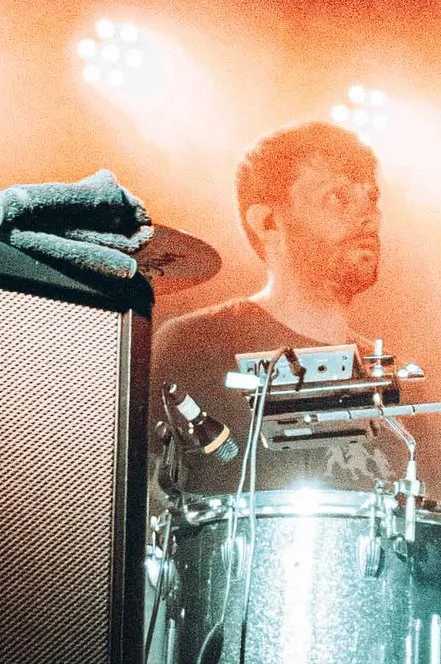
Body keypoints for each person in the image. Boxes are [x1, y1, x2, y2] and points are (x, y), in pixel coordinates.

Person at [153, 118, 391, 483]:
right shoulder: (195, 345)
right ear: (268, 223)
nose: (368, 216)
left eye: (370, 198)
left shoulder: (392, 374)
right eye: (337, 197)